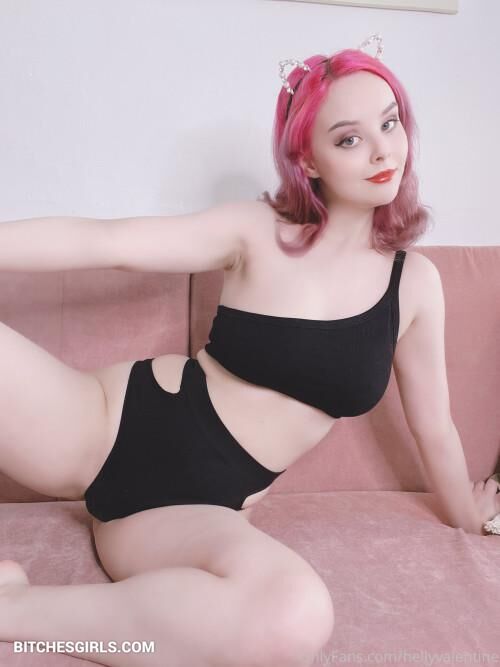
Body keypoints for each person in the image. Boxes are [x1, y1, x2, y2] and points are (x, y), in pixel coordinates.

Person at [0, 35, 498, 667]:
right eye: (349, 138)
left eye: (390, 123)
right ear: (308, 159)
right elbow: (106, 243)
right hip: (101, 424)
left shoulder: (415, 285)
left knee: (293, 617)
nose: (382, 150)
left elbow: (435, 427)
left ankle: (15, 612)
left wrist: (468, 516)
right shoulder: (256, 232)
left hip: (189, 511)